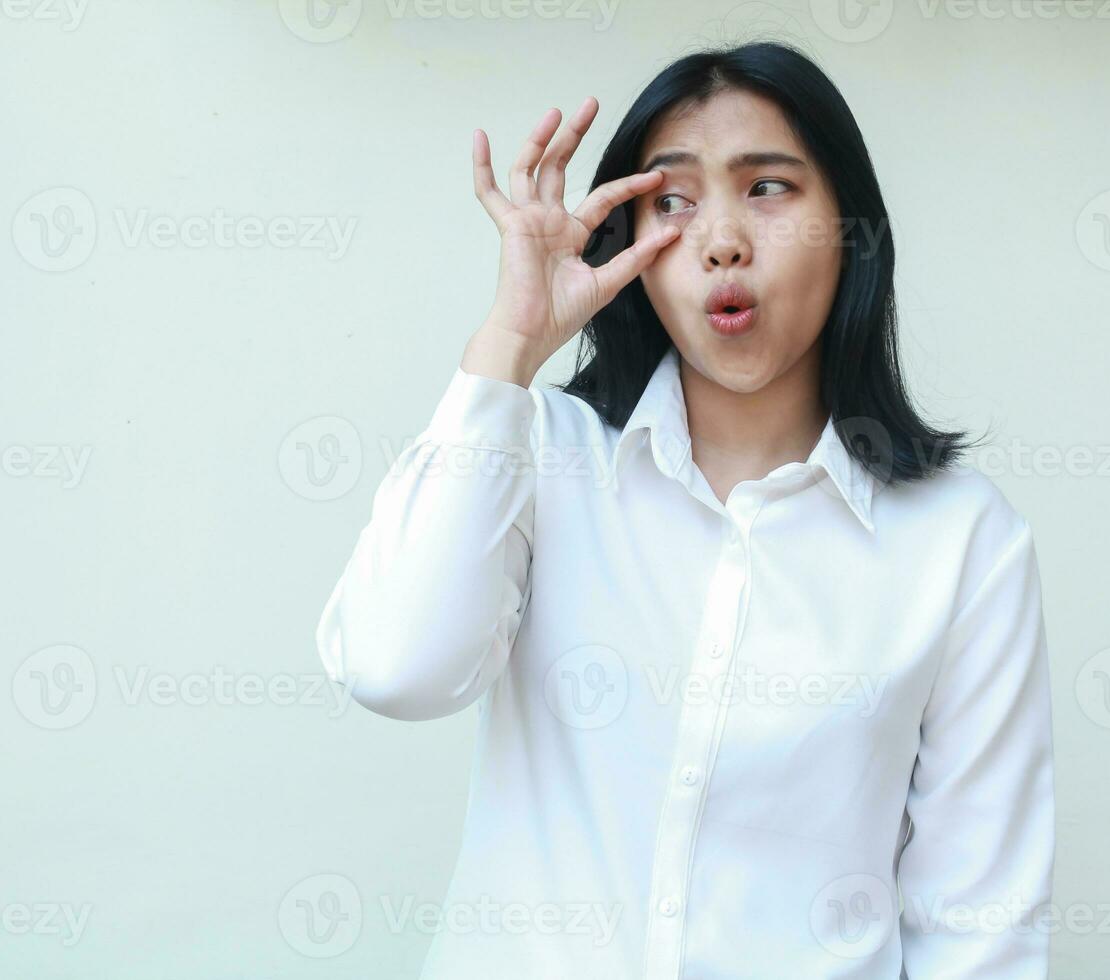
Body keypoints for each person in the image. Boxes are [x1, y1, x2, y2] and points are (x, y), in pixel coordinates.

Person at [316, 40, 1056, 980]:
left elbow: (978, 926)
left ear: (849, 226)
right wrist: (509, 342)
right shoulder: (541, 454)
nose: (721, 242)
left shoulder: (962, 541)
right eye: (672, 201)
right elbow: (395, 668)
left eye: (769, 189)